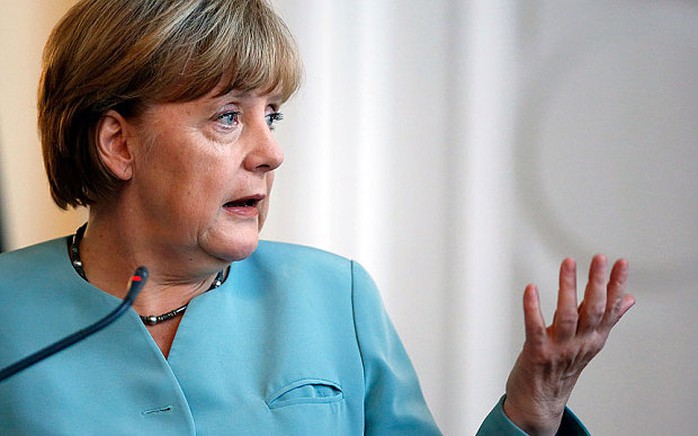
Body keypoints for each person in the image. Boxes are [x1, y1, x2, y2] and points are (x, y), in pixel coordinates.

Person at [0, 0, 635, 434]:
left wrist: (530, 412)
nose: (272, 152)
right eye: (228, 116)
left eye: (271, 114)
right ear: (119, 144)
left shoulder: (337, 296)